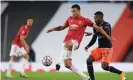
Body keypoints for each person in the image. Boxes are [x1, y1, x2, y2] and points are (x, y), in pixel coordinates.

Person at [47, 4, 114, 80]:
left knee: (69, 44)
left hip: (75, 43)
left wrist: (107, 36)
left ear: (79, 10)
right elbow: (62, 27)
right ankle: (86, 77)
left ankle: (58, 62)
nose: (73, 13)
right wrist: (53, 29)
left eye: (74, 11)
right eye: (72, 11)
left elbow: (98, 28)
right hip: (66, 43)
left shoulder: (85, 20)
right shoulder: (70, 19)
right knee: (68, 65)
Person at [85, 11, 127, 80]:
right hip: (99, 49)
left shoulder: (107, 25)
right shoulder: (95, 26)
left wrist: (92, 33)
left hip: (107, 49)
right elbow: (94, 38)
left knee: (104, 67)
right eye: (94, 18)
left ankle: (121, 73)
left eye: (96, 18)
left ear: (101, 17)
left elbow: (103, 31)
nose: (94, 20)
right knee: (89, 60)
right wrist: (88, 46)